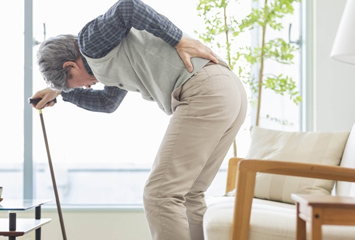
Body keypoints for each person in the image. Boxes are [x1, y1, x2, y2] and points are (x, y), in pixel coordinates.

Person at [31, 0, 247, 239]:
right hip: (227, 91)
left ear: (70, 65)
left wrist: (179, 39)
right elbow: (107, 102)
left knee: (159, 195)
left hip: (204, 92)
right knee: (189, 195)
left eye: (73, 82)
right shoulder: (111, 59)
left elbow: (128, 7)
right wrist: (63, 93)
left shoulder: (90, 43)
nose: (87, 86)